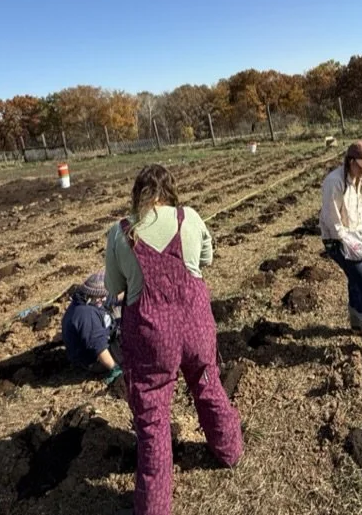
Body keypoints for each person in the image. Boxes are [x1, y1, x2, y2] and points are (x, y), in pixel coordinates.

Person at [104, 164, 242, 515]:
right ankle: (229, 451)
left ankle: (154, 506)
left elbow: (113, 288)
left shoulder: (121, 232)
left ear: (138, 195)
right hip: (195, 326)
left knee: (152, 415)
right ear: (169, 191)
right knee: (208, 383)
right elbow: (206, 258)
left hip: (151, 335)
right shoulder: (190, 217)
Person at [319, 140, 362, 353]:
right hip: (335, 239)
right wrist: (349, 243)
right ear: (351, 162)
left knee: (356, 277)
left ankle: (355, 321)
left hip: (357, 235)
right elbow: (332, 221)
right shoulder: (334, 183)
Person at [61, 270, 123, 383]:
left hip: (100, 338)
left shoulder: (89, 299)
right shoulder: (87, 315)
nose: (105, 298)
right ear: (94, 295)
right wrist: (114, 368)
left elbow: (114, 298)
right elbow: (98, 346)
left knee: (123, 306)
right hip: (95, 361)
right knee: (136, 342)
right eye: (103, 296)